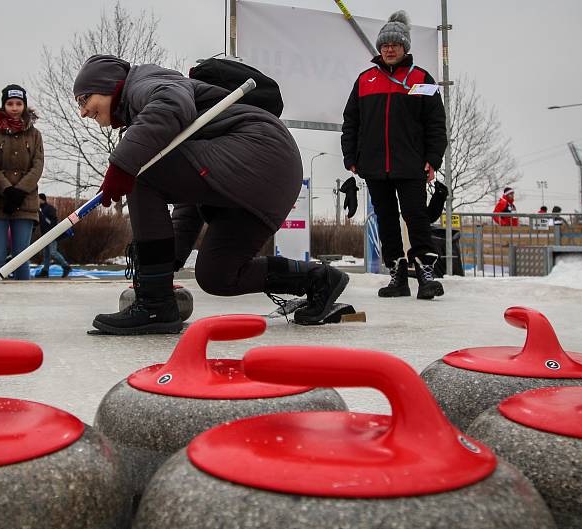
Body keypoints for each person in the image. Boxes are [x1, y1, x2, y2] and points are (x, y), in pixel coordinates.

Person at [72, 54, 348, 334]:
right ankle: (318, 280)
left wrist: (122, 165)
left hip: (258, 151)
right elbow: (188, 196)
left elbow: (171, 104)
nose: (83, 112)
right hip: (270, 177)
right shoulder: (149, 117)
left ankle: (154, 306)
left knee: (141, 170)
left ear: (107, 85)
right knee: (217, 275)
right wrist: (165, 263)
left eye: (84, 100)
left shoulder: (143, 83)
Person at [341, 11, 447, 300]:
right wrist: (350, 156)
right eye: (385, 45)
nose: (389, 49)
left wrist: (433, 158)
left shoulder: (422, 79)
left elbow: (436, 123)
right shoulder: (365, 80)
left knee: (416, 217)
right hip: (374, 166)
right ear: (379, 48)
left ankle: (426, 273)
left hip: (411, 164)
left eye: (395, 45)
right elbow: (351, 121)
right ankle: (397, 274)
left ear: (405, 48)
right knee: (386, 219)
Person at [0, 84, 44, 280]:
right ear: (3, 106)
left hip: (25, 202)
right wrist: (7, 189)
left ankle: (24, 303)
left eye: (19, 103)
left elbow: (38, 165)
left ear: (24, 106)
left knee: (21, 257)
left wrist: (19, 191)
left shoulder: (35, 135)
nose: (15, 108)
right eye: (10, 103)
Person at [35, 193, 71, 278]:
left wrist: (52, 232)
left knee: (53, 252)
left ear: (41, 199)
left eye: (37, 199)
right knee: (46, 253)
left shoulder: (49, 209)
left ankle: (66, 266)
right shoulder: (42, 210)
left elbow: (53, 221)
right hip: (46, 235)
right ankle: (45, 271)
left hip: (51, 234)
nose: (36, 201)